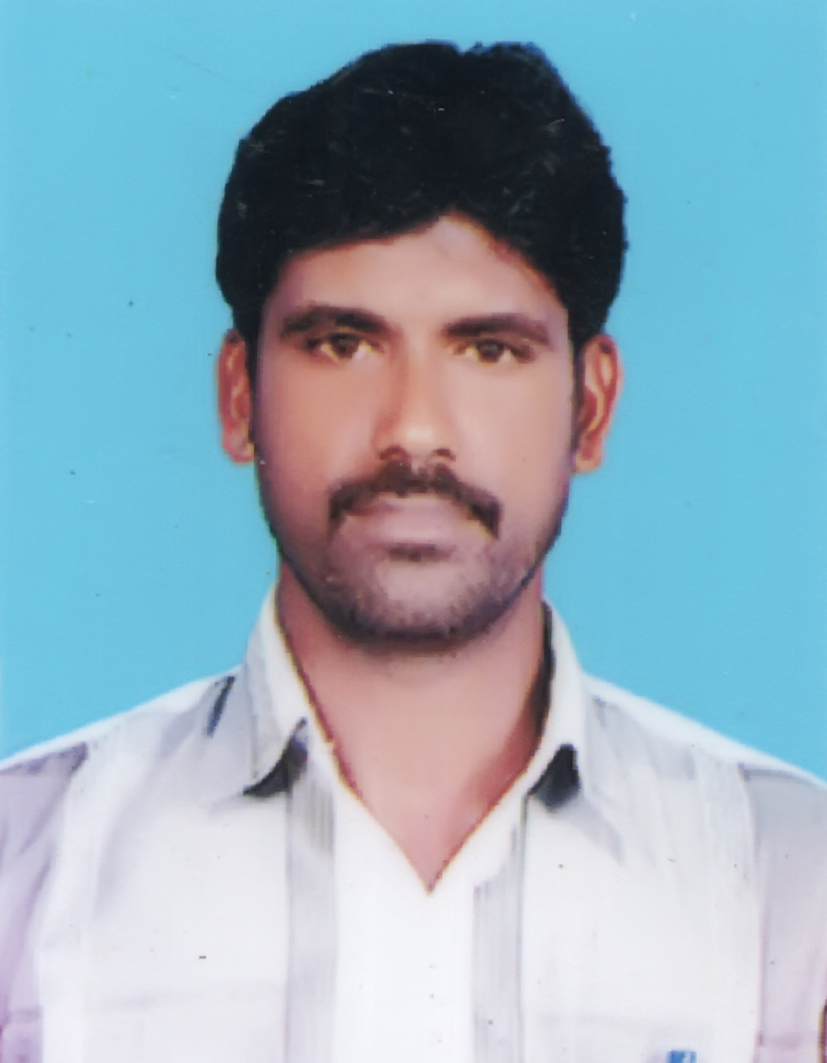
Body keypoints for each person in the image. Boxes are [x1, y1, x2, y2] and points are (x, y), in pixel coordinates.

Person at [1, 40, 825, 1063]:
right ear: (238, 395)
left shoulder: (792, 884)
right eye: (342, 344)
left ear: (590, 404)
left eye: (488, 349)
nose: (414, 430)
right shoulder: (25, 865)